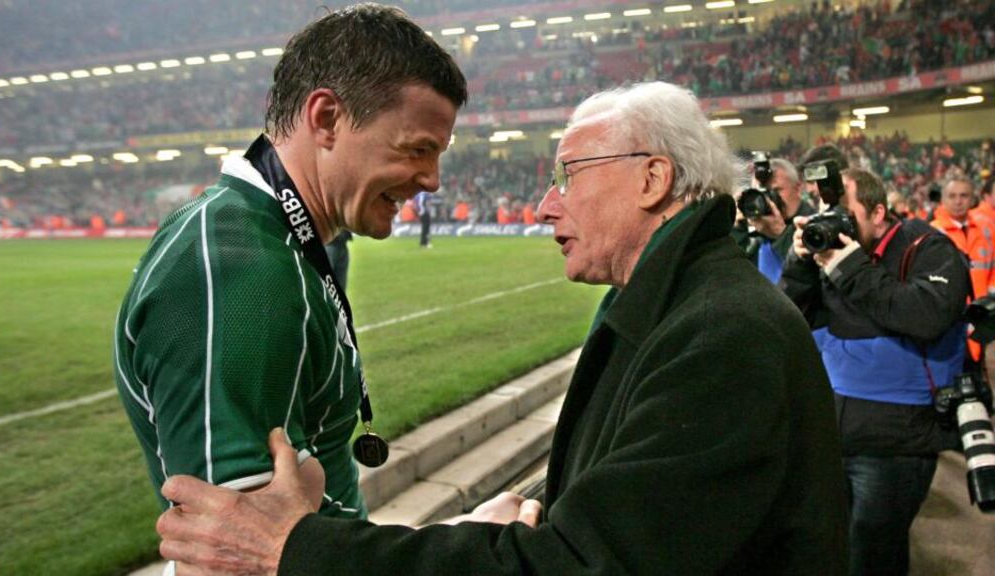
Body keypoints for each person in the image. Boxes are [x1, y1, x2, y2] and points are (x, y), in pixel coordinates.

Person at [156, 81, 849, 575]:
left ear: (652, 180)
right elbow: (629, 511)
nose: (546, 205)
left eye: (569, 175)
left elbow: (580, 564)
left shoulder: (722, 337)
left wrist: (295, 550)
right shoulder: (687, 306)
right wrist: (503, 523)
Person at [114, 2, 466, 524]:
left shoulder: (272, 242)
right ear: (326, 119)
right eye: (417, 149)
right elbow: (236, 545)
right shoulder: (238, 269)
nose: (432, 180)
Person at [781, 167, 970, 576]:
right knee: (835, 545)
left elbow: (927, 316)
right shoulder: (830, 252)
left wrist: (849, 268)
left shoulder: (926, 247)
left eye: (846, 214)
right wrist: (800, 264)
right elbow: (789, 320)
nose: (835, 224)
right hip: (835, 433)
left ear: (879, 213)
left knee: (873, 551)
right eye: (828, 212)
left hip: (897, 442)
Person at [930, 177, 995, 363]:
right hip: (952, 320)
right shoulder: (933, 232)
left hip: (984, 316)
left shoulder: (986, 230)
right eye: (952, 196)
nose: (958, 201)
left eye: (964, 195)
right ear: (943, 199)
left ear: (972, 198)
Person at [743, 158, 816, 283]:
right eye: (761, 193)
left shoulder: (812, 224)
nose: (768, 200)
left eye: (776, 191)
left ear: (798, 188)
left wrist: (781, 234)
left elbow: (813, 277)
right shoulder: (756, 226)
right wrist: (738, 229)